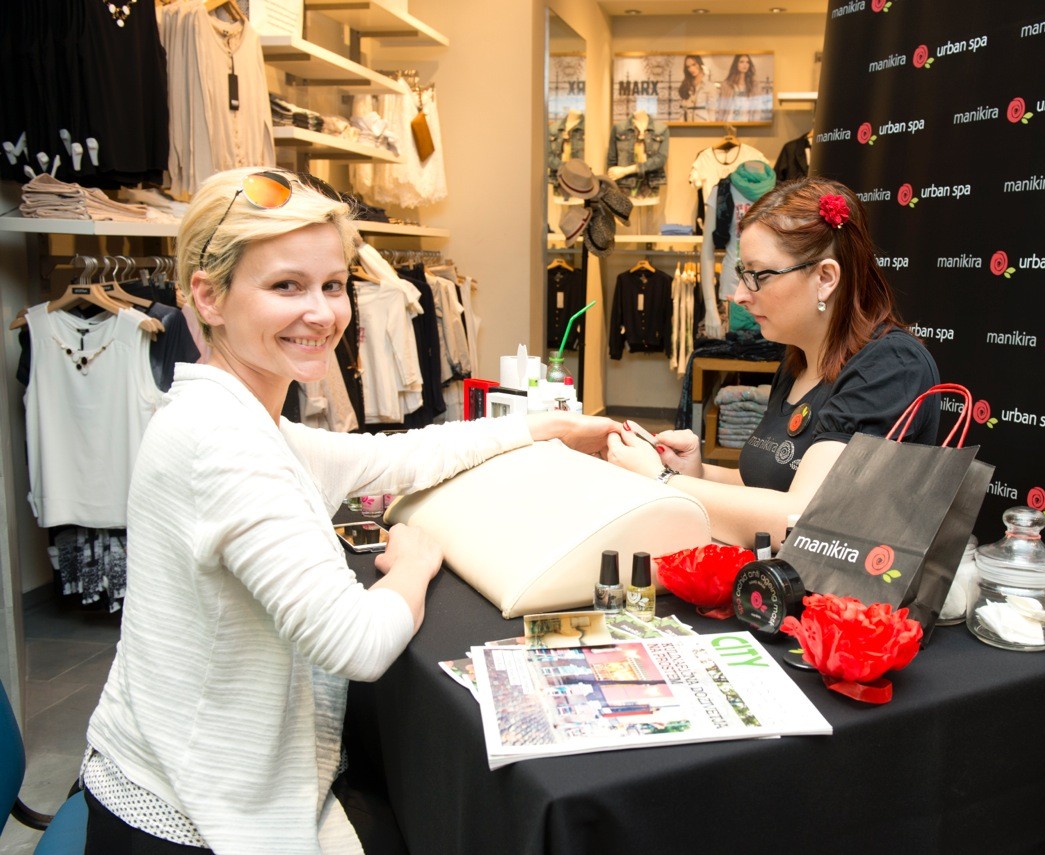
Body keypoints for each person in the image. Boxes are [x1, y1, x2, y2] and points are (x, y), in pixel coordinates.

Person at [80, 167, 619, 854]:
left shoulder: (235, 416)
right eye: (286, 286)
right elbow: (356, 643)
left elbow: (394, 457)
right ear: (208, 296)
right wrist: (413, 565)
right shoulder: (223, 442)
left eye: (333, 285)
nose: (322, 313)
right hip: (187, 820)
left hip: (184, 779)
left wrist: (544, 427)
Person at [607, 177, 940, 546]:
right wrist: (695, 472)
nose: (739, 295)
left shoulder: (891, 366)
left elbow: (802, 520)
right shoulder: (798, 361)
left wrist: (663, 480)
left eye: (758, 276)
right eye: (742, 274)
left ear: (825, 278)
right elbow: (767, 488)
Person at [717, 54, 760, 122]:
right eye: (741, 62)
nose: (745, 65)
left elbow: (757, 109)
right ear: (736, 64)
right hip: (729, 120)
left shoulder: (754, 85)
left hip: (746, 121)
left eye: (747, 62)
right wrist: (719, 123)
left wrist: (755, 124)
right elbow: (722, 107)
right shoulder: (727, 84)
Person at [677, 55, 715, 122]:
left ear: (699, 63)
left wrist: (712, 126)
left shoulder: (709, 86)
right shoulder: (686, 85)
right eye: (688, 67)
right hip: (686, 123)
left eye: (694, 64)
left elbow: (712, 110)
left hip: (703, 124)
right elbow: (682, 110)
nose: (691, 69)